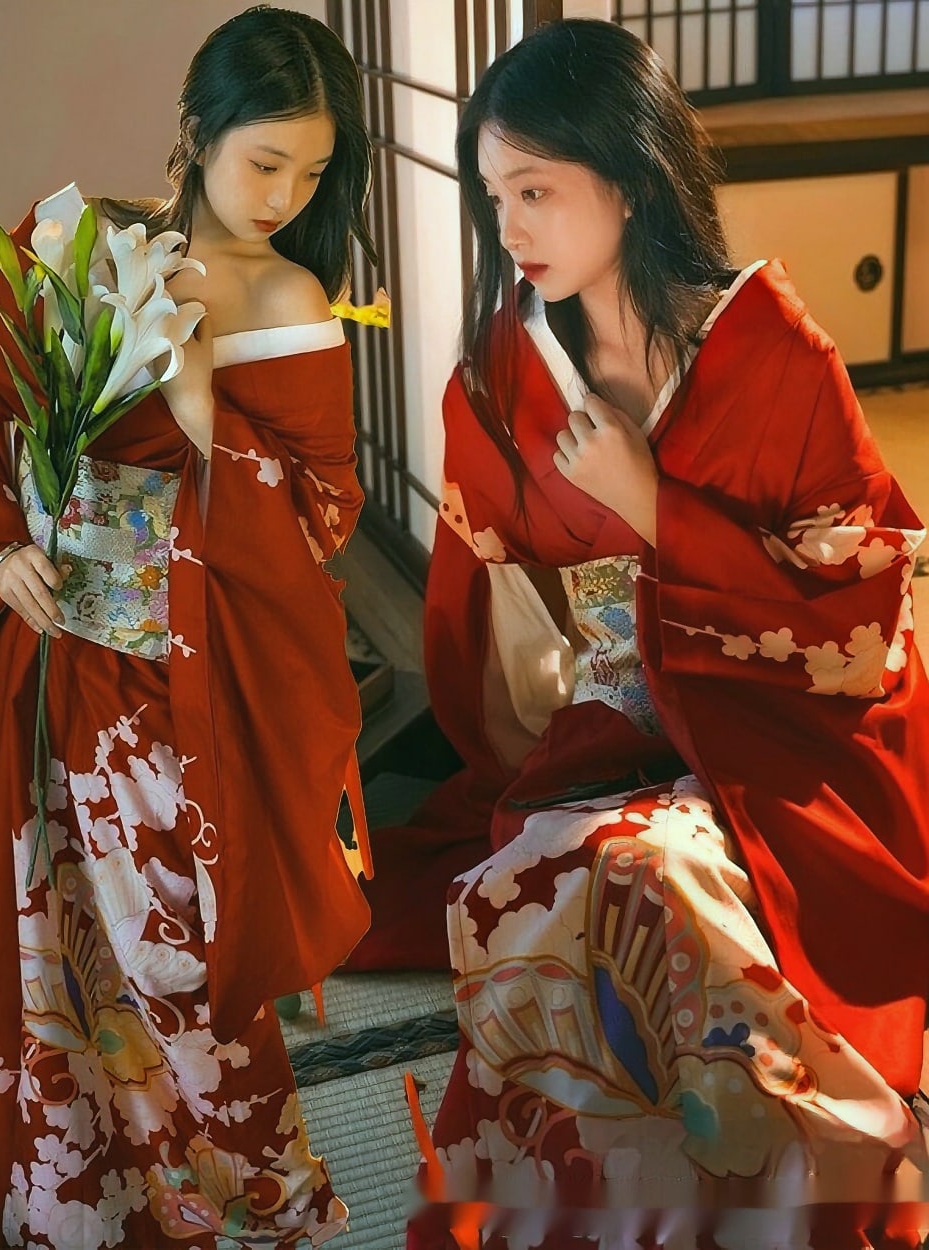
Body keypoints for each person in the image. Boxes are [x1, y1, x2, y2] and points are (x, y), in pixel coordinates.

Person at [344, 18, 929, 1249]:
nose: (509, 228)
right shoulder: (502, 372)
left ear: (628, 175)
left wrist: (655, 510)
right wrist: (546, 730)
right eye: (495, 193)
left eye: (539, 190)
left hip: (783, 739)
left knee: (647, 874)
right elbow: (487, 608)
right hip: (608, 723)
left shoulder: (774, 358)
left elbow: (861, 621)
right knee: (549, 876)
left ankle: (790, 1183)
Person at [0, 6, 377, 1246]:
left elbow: (325, 514)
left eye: (312, 169)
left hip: (178, 683)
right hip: (48, 659)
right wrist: (1, 546)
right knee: (54, 944)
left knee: (182, 951)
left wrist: (196, 406)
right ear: (196, 132)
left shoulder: (288, 296)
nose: (285, 194)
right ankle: (82, 1202)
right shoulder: (75, 242)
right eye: (263, 161)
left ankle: (251, 1187)